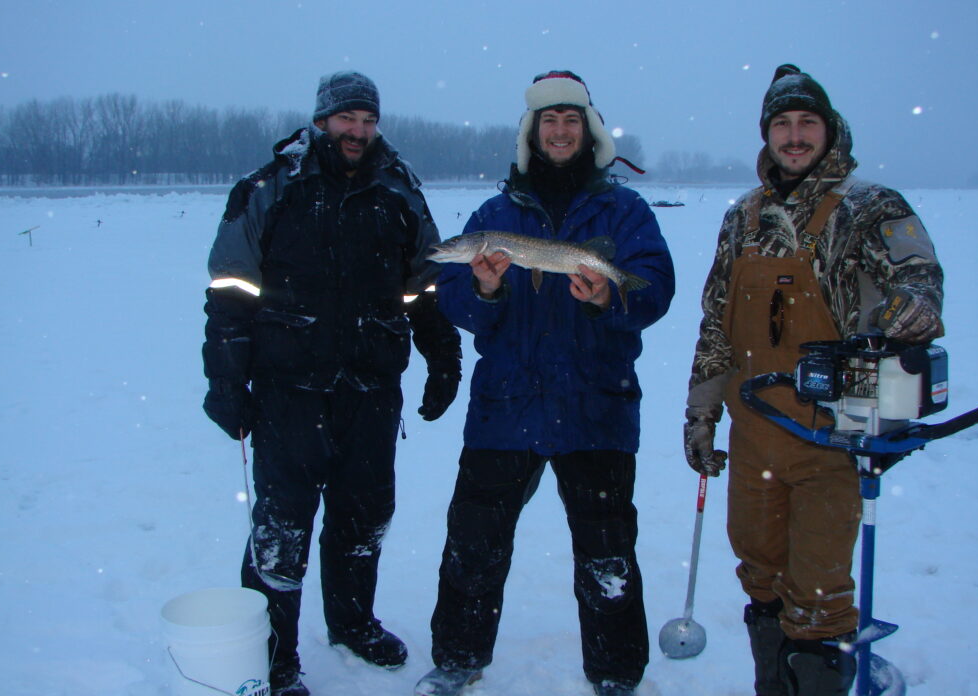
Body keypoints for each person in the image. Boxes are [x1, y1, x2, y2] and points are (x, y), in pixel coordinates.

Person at [683, 64, 945, 696]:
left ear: (830, 131)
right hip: (755, 437)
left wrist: (911, 307)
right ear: (767, 134)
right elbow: (716, 324)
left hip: (835, 437)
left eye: (807, 123)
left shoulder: (869, 206)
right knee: (761, 579)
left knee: (820, 593)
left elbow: (920, 276)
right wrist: (701, 413)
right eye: (782, 124)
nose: (794, 136)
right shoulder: (743, 217)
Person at [414, 70, 676, 696]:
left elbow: (655, 289)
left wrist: (606, 296)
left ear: (588, 133)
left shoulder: (624, 209)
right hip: (507, 405)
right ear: (531, 135)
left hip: (596, 405)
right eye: (548, 122)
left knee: (607, 553)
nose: (559, 132)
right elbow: (458, 304)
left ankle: (615, 675)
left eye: (570, 121)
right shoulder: (495, 215)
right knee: (473, 545)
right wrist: (482, 286)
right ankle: (456, 661)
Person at [201, 71, 462, 696]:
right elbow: (230, 290)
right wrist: (225, 380)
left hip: (371, 387)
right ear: (321, 121)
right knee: (283, 527)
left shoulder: (398, 190)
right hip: (288, 389)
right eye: (347, 119)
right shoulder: (270, 189)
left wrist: (443, 355)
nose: (358, 131)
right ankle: (275, 656)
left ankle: (351, 622)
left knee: (364, 515)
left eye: (368, 121)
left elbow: (425, 283)